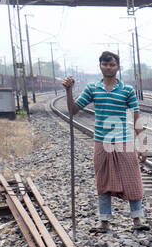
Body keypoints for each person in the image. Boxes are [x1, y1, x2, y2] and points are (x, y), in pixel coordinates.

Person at [62, 52, 147, 233]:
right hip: (101, 141)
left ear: (118, 67)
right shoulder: (93, 88)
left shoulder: (127, 90)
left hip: (124, 141)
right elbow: (74, 110)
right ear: (100, 66)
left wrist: (141, 145)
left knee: (133, 180)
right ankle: (104, 221)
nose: (109, 67)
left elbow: (136, 117)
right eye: (105, 64)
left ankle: (138, 219)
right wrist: (68, 91)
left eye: (112, 64)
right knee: (103, 181)